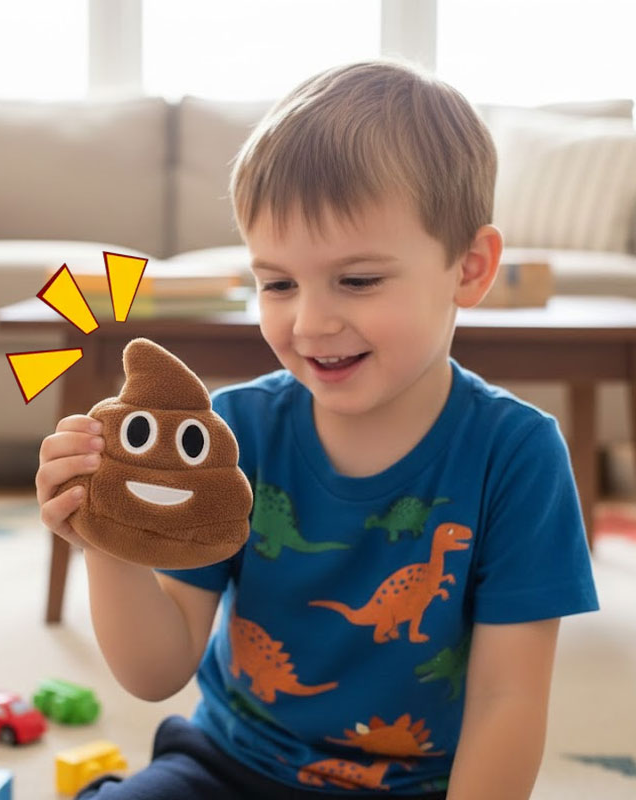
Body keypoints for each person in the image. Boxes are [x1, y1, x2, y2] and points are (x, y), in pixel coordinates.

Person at [35, 58, 599, 800]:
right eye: (278, 283)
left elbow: (507, 703)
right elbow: (156, 672)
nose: (310, 322)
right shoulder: (230, 434)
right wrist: (107, 539)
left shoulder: (518, 455)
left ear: (468, 268)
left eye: (357, 280)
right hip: (229, 766)